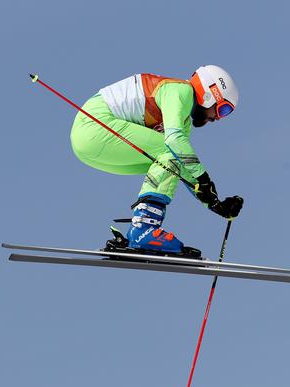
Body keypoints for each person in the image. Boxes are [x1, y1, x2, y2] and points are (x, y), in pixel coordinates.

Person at [69, 65, 244, 257]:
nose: (218, 118)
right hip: (94, 126)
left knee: (171, 161)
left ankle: (142, 228)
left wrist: (214, 203)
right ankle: (144, 229)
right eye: (223, 109)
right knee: (170, 150)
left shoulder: (183, 118)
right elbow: (174, 142)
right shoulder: (180, 91)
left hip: (89, 143)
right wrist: (203, 178)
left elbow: (180, 162)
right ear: (210, 94)